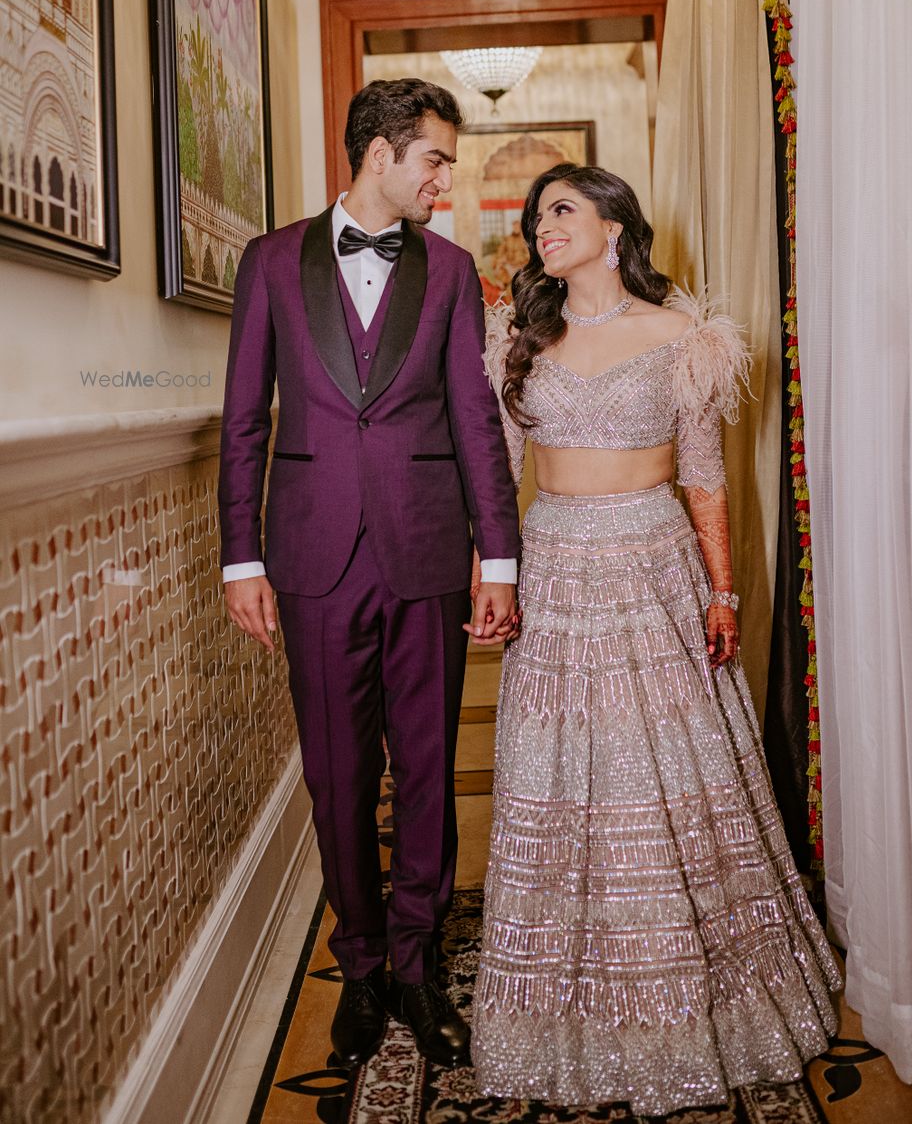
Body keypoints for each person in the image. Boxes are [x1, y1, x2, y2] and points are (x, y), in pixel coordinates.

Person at [472, 163, 841, 1116]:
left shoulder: (685, 336)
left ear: (613, 222)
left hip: (654, 568)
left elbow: (706, 475)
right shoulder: (521, 338)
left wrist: (722, 591)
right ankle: (564, 1007)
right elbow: (497, 476)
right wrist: (492, 574)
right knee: (560, 774)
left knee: (661, 770)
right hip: (554, 571)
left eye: (561, 211)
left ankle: (701, 996)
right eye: (535, 217)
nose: (541, 228)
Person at [219, 79, 520, 1071]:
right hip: (307, 555)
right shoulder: (268, 263)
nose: (446, 176)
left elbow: (477, 426)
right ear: (379, 154)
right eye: (433, 157)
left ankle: (416, 961)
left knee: (428, 766)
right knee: (338, 773)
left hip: (428, 550)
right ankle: (356, 966)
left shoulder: (449, 271)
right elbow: (244, 423)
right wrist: (241, 557)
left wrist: (499, 560)